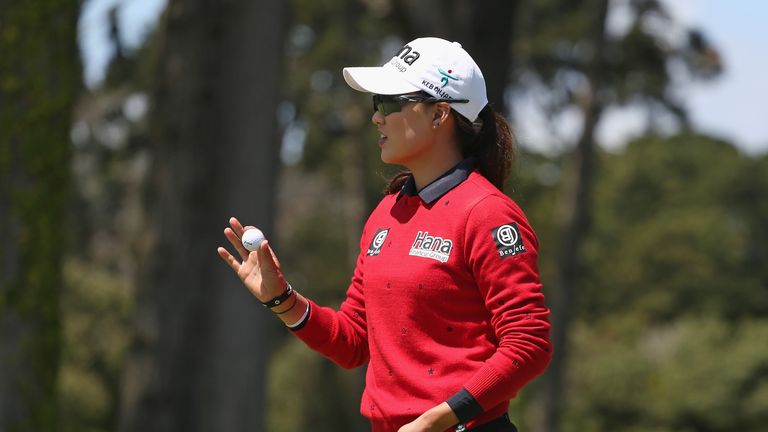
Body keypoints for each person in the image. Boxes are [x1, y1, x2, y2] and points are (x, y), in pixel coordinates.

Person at [218, 37, 551, 432]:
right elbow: (355, 342)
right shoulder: (386, 213)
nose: (377, 117)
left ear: (439, 113)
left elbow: (529, 343)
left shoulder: (487, 213)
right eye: (377, 103)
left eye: (391, 103)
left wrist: (436, 419)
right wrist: (282, 300)